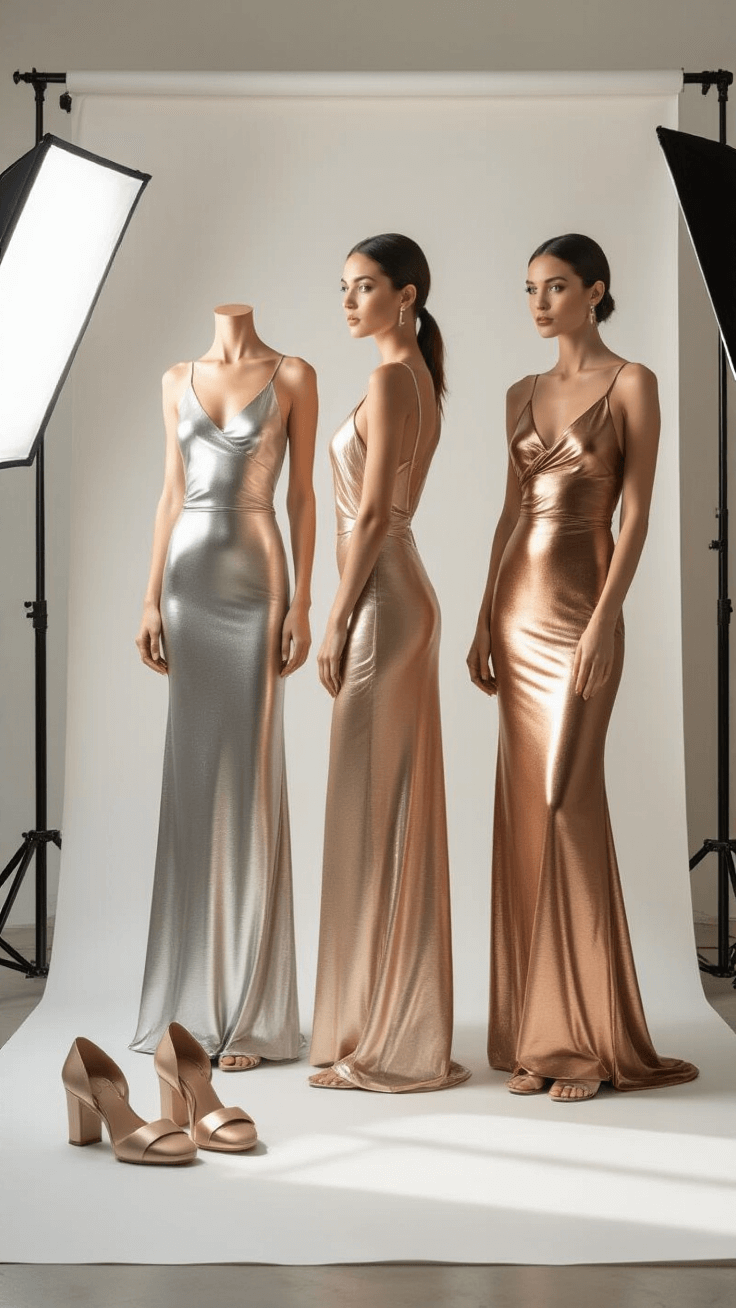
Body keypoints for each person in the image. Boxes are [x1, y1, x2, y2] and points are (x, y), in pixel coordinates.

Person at [467, 234, 698, 1100]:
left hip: (581, 611)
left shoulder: (633, 382)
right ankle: (540, 1036)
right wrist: (485, 617)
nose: (539, 303)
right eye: (529, 288)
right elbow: (507, 510)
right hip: (517, 609)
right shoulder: (518, 394)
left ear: (596, 292)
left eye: (556, 287)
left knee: (567, 803)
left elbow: (635, 515)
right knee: (528, 811)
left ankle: (590, 1044)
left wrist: (606, 620)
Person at [131, 303, 317, 1071]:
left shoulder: (294, 374)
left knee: (250, 785)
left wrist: (304, 600)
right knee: (192, 785)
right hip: (187, 581)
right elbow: (171, 495)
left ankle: (252, 1014)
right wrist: (148, 598)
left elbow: (301, 496)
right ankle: (189, 1004)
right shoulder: (176, 377)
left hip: (257, 577)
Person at [309, 234, 469, 1092]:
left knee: (373, 812)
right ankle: (376, 1020)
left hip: (380, 601)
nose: (347, 301)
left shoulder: (389, 378)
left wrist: (334, 622)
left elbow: (371, 518)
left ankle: (388, 1038)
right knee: (378, 810)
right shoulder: (416, 378)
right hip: (394, 598)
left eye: (363, 287)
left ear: (405, 296)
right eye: (342, 287)